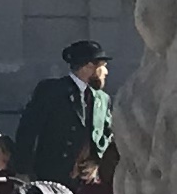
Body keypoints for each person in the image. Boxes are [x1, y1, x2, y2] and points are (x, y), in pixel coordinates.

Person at [14, 41, 116, 181]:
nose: (106, 72)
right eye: (103, 66)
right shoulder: (52, 91)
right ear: (89, 66)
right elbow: (28, 130)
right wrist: (23, 170)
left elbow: (107, 134)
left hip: (87, 182)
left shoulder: (102, 99)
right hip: (51, 177)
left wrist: (96, 161)